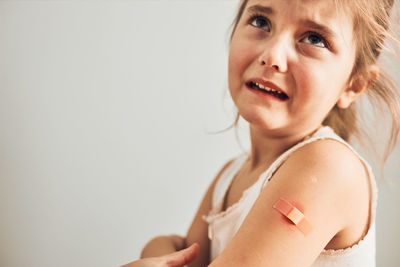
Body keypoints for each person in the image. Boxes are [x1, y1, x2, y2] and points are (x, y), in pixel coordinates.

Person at [123, 0, 400, 266]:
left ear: (354, 84)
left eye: (314, 39)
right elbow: (185, 256)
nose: (272, 56)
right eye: (261, 21)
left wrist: (154, 251)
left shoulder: (328, 168)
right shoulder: (228, 178)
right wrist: (157, 246)